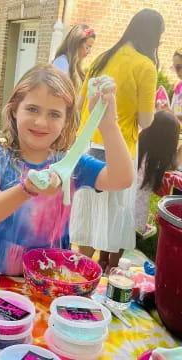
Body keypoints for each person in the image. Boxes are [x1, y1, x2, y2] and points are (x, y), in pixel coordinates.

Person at [0, 64, 133, 276]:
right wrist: (26, 189)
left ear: (65, 121)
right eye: (32, 109)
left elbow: (122, 179)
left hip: (47, 279)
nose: (41, 122)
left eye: (54, 114)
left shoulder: (72, 163)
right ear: (15, 109)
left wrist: (108, 124)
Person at [70, 9, 165, 272]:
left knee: (88, 214)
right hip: (118, 147)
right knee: (113, 214)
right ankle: (101, 274)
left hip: (87, 145)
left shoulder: (102, 58)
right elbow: (146, 121)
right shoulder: (145, 65)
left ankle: (77, 272)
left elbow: (80, 104)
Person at [135, 111, 182, 238]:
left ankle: (103, 257)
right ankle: (113, 259)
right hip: (135, 211)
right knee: (122, 241)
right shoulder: (156, 160)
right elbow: (173, 166)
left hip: (118, 202)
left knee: (111, 238)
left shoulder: (137, 145)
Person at [53, 24, 96, 92]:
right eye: (87, 47)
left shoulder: (76, 65)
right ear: (77, 44)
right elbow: (58, 93)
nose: (89, 52)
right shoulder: (61, 63)